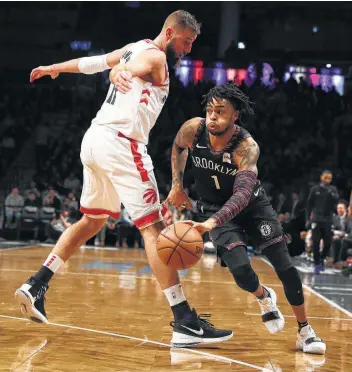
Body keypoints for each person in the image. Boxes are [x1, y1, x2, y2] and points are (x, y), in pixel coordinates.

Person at [15, 10, 232, 347]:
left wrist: (57, 67)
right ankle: (184, 320)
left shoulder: (135, 46)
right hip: (122, 144)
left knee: (92, 221)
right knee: (154, 229)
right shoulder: (156, 56)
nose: (188, 50)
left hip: (95, 138)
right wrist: (120, 72)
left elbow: (96, 62)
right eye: (187, 42)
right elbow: (123, 68)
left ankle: (37, 283)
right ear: (171, 33)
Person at [166, 83, 326, 355]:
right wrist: (176, 185)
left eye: (220, 111)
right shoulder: (194, 129)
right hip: (213, 209)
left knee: (284, 267)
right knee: (240, 270)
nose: (212, 116)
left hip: (252, 208)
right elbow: (178, 147)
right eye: (209, 110)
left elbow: (241, 195)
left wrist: (212, 223)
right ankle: (264, 297)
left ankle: (305, 331)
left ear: (235, 115)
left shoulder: (246, 147)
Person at [306, 170, 339, 274]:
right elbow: (309, 205)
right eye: (326, 177)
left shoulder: (333, 189)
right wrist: (308, 219)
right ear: (321, 177)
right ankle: (317, 264)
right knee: (315, 242)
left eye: (329, 178)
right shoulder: (315, 189)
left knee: (328, 242)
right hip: (316, 218)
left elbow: (336, 201)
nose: (327, 180)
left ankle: (322, 258)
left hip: (328, 219)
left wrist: (332, 194)